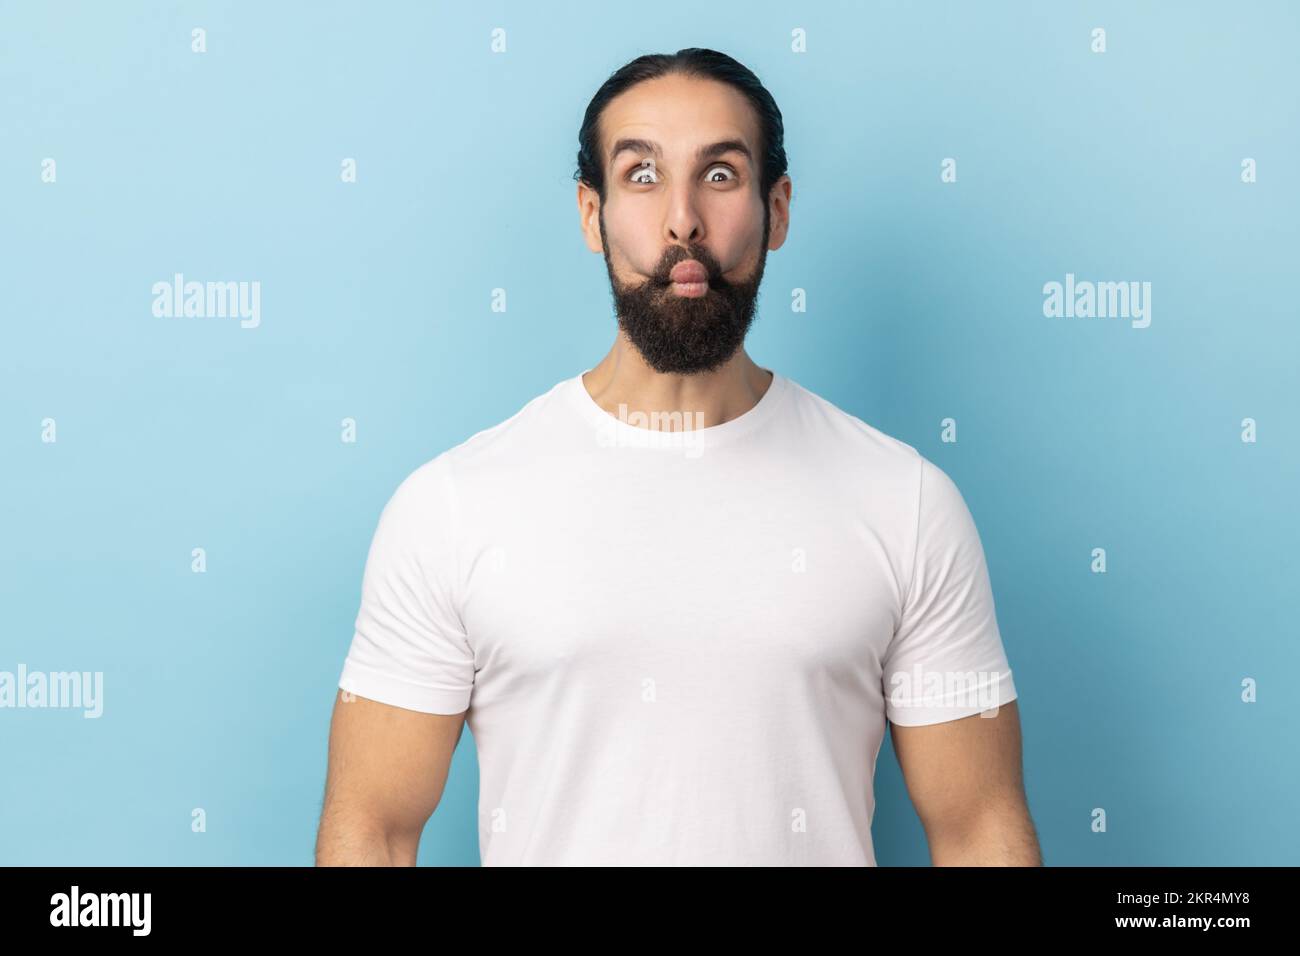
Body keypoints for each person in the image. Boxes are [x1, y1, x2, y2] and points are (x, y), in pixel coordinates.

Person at [316, 48, 1040, 866]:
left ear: (779, 208)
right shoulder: (452, 506)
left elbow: (979, 828)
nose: (683, 221)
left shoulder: (905, 501)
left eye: (721, 176)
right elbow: (372, 828)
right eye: (642, 175)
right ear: (591, 215)